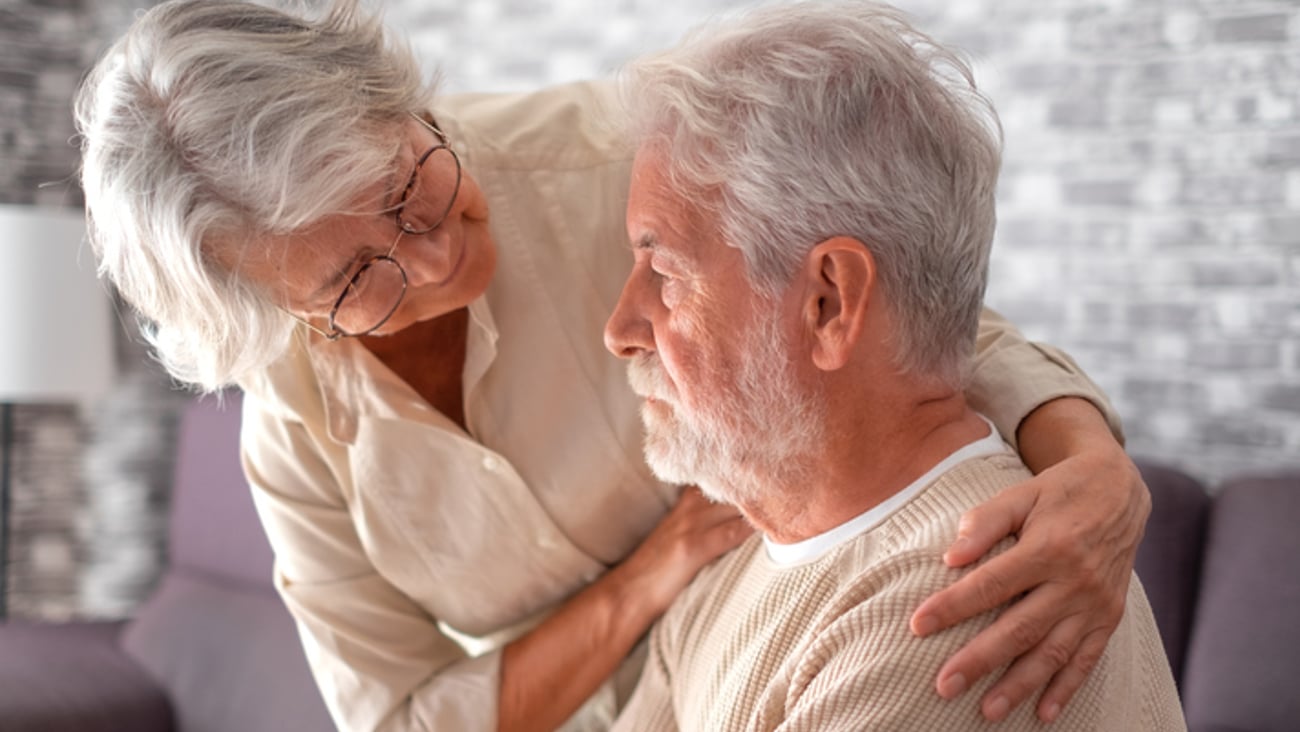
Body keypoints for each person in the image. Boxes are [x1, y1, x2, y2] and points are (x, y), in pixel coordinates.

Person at [75, 1, 1150, 730]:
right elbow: (401, 716)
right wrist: (653, 577)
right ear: (283, 313)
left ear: (398, 102)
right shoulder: (295, 426)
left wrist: (1090, 466)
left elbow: (899, 313)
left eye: (412, 183)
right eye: (359, 276)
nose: (439, 255)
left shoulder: (615, 165)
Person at [603, 3, 1184, 730]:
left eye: (664, 273)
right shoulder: (729, 578)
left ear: (829, 302)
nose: (619, 330)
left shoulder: (961, 601)